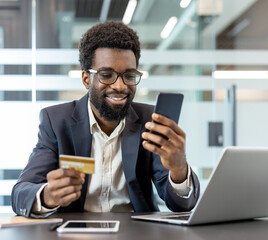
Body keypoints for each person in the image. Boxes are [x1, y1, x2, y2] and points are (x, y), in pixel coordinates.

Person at [11, 21, 200, 217]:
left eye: (129, 75)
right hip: (76, 233)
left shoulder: (150, 122)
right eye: (106, 75)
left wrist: (179, 169)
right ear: (86, 79)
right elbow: (20, 193)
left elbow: (180, 205)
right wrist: (48, 196)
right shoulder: (56, 121)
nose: (120, 86)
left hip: (138, 232)